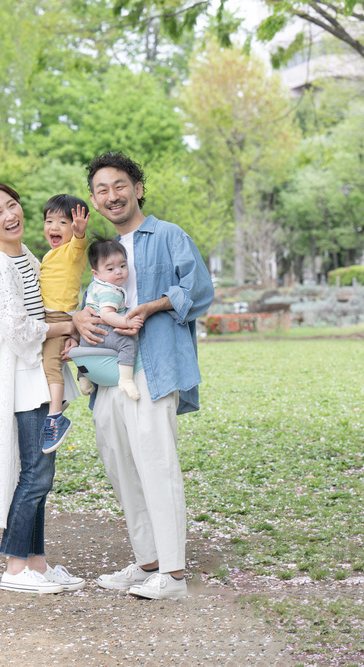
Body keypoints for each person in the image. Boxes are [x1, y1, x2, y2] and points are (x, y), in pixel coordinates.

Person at [73, 151, 213, 600]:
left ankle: (172, 575)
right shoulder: (100, 251)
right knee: (121, 463)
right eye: (101, 190)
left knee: (156, 463)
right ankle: (148, 561)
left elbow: (199, 290)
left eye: (119, 185)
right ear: (95, 201)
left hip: (154, 363)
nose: (111, 196)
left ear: (136, 187)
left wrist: (152, 306)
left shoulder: (169, 235)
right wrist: (80, 318)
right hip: (107, 368)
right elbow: (91, 300)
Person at [0, 182, 86, 595]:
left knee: (41, 473)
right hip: (19, 379)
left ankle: (37, 563)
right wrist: (71, 325)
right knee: (35, 473)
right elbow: (18, 331)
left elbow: (48, 299)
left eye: (12, 205)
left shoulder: (25, 254)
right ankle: (16, 568)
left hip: (36, 372)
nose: (9, 215)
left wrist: (67, 326)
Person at [38, 194, 89, 453]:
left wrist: (79, 233)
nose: (54, 227)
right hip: (47, 316)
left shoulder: (72, 251)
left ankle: (55, 417)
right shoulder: (50, 255)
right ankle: (69, 391)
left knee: (51, 365)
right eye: (49, 221)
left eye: (62, 222)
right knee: (50, 363)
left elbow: (79, 243)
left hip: (58, 316)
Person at [77, 238, 143, 400]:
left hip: (85, 337)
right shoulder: (110, 290)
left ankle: (84, 378)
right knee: (127, 344)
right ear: (96, 273)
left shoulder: (96, 285)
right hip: (101, 331)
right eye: (110, 269)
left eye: (122, 266)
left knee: (86, 355)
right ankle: (126, 380)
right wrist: (126, 322)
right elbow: (107, 315)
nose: (118, 272)